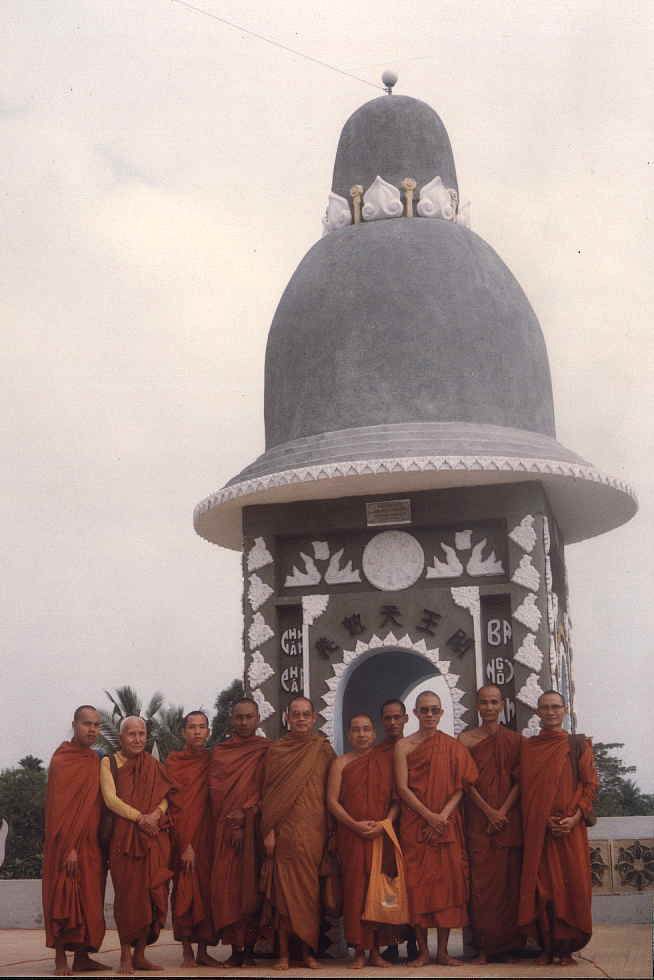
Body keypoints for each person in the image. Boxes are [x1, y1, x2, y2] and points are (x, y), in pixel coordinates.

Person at [395, 690, 478, 967]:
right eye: (424, 710)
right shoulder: (404, 746)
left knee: (447, 887)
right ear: (416, 713)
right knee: (416, 886)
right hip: (416, 823)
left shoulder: (453, 746)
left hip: (446, 823)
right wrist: (428, 815)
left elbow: (461, 787)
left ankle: (442, 951)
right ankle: (422, 951)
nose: (429, 715)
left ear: (441, 713)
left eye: (434, 710)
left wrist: (441, 816)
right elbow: (402, 788)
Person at [518, 690, 598, 966]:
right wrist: (541, 819)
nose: (550, 712)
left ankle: (566, 949)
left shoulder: (577, 745)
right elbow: (526, 792)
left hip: (570, 830)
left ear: (565, 710)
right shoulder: (529, 748)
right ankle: (547, 946)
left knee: (571, 885)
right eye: (545, 708)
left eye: (555, 707)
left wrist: (575, 818)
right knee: (543, 889)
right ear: (537, 712)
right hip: (540, 831)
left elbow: (589, 785)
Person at [260, 695, 335, 971]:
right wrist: (268, 831)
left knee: (309, 895)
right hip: (285, 833)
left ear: (314, 718)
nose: (301, 719)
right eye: (296, 714)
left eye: (306, 714)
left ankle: (307, 953)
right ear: (287, 718)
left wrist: (331, 832)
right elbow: (268, 794)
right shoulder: (277, 751)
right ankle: (282, 954)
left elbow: (333, 791)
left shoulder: (323, 750)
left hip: (315, 832)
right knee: (283, 897)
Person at [101, 716, 173, 975]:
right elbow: (110, 799)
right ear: (121, 737)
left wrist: (154, 815)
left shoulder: (152, 764)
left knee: (152, 895)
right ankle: (124, 955)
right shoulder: (109, 762)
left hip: (152, 835)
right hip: (125, 837)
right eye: (132, 734)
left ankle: (141, 954)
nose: (138, 739)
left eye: (142, 734)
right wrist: (140, 817)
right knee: (128, 898)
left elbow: (166, 796)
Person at [327, 713, 399, 969]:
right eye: (356, 730)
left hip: (381, 836)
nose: (361, 734)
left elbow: (395, 801)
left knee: (378, 891)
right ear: (348, 734)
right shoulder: (341, 763)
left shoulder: (386, 761)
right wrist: (354, 825)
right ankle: (359, 949)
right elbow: (332, 802)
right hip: (352, 836)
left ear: (374, 733)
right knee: (355, 891)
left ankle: (376, 951)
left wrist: (385, 824)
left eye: (366, 729)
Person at [459, 685, 522, 963]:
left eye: (494, 702)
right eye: (484, 702)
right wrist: (488, 812)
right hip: (478, 821)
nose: (489, 707)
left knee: (508, 884)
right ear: (477, 706)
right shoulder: (466, 740)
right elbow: (465, 783)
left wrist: (502, 811)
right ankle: (484, 948)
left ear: (502, 705)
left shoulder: (515, 741)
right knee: (482, 886)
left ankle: (506, 947)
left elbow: (520, 782)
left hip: (507, 820)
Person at [42, 705, 107, 977]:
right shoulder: (62, 760)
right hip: (64, 844)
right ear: (74, 724)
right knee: (63, 897)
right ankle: (60, 960)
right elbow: (58, 809)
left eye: (96, 725)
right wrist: (69, 847)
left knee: (91, 900)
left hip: (91, 844)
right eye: (86, 723)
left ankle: (82, 958)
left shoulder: (96, 759)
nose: (92, 729)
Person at [209, 697, 269, 968]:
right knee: (229, 889)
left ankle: (251, 948)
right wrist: (232, 821)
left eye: (249, 717)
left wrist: (247, 814)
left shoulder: (266, 750)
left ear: (258, 719)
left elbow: (269, 788)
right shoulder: (221, 752)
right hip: (225, 832)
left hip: (256, 829)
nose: (244, 722)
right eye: (239, 717)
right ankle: (235, 947)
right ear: (231, 719)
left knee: (253, 886)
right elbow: (215, 791)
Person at [165, 711, 218, 967]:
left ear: (208, 731)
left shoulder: (214, 760)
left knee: (207, 892)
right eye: (192, 727)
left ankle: (203, 951)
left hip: (208, 837)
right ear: (183, 732)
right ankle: (187, 949)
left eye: (202, 727)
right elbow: (174, 804)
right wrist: (185, 843)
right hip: (183, 834)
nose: (197, 732)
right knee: (185, 891)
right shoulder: (174, 762)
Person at [377, 699, 417, 965]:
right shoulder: (375, 753)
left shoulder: (415, 748)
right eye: (387, 718)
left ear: (405, 719)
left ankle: (414, 942)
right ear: (382, 721)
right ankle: (390, 944)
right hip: (384, 826)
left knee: (411, 883)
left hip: (411, 824)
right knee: (387, 883)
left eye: (397, 717)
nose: (392, 722)